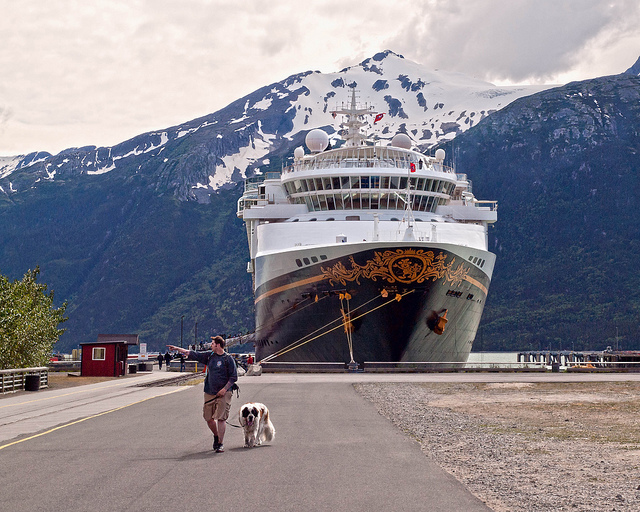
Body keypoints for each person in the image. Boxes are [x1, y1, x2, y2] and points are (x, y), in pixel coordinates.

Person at [167, 336, 237, 453]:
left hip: (224, 393)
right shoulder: (209, 356)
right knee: (208, 418)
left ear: (218, 345)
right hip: (210, 391)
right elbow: (192, 353)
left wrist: (224, 389)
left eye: (213, 343)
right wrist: (178, 349)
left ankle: (220, 443)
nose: (211, 345)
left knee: (221, 418)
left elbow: (233, 377)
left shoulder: (228, 359)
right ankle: (216, 435)